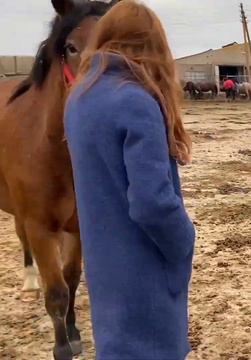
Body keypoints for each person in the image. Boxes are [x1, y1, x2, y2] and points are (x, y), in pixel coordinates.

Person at [63, 1, 195, 359]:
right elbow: (152, 202)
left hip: (106, 268)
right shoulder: (135, 101)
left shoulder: (79, 100)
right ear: (152, 46)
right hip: (144, 271)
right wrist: (184, 239)